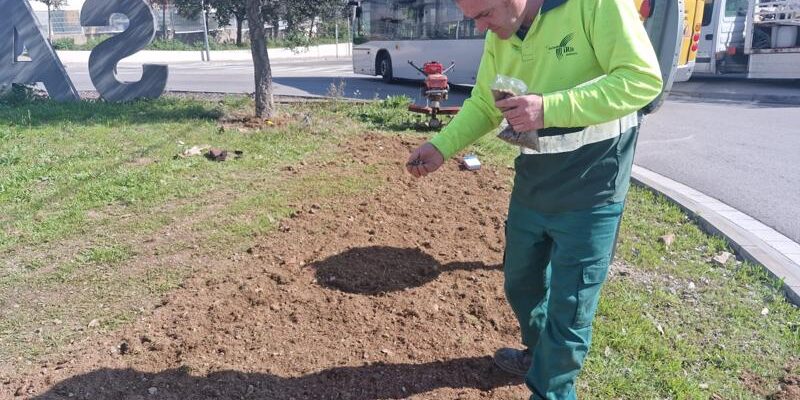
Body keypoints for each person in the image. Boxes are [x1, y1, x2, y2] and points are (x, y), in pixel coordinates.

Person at [405, 0, 663, 398]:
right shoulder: (500, 34)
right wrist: (441, 146)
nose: (480, 29)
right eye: (473, 19)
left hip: (594, 182)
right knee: (520, 283)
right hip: (535, 179)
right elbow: (484, 105)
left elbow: (642, 80)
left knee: (570, 306)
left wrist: (550, 107)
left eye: (484, 14)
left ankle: (551, 389)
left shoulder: (595, 5)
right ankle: (539, 353)